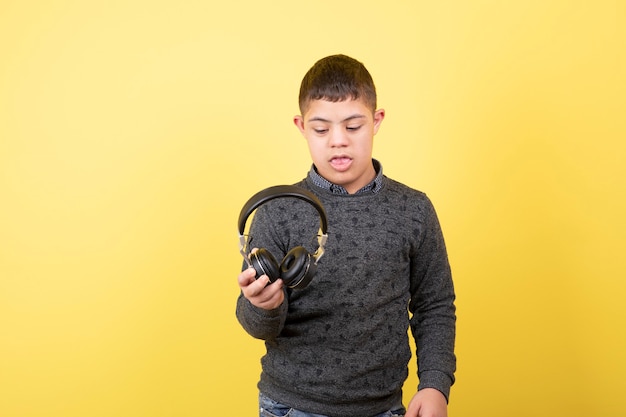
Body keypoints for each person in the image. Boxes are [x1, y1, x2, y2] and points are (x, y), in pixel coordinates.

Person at [236, 54, 456, 417]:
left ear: (376, 120)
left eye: (353, 126)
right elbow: (257, 326)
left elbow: (435, 305)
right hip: (291, 407)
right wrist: (263, 306)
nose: (337, 141)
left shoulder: (413, 209)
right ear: (302, 126)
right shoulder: (277, 210)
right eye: (321, 130)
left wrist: (435, 385)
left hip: (384, 408)